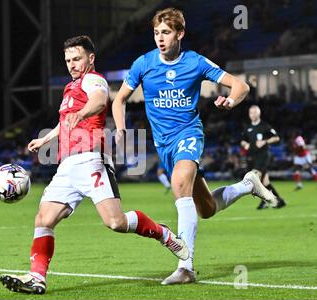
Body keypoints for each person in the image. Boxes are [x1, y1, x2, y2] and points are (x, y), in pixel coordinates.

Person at [0, 35, 189, 295]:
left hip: (91, 160)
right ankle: (37, 278)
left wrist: (83, 113)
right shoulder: (70, 88)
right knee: (43, 219)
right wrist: (46, 138)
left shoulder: (93, 79)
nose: (71, 64)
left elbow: (100, 100)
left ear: (91, 58)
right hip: (66, 167)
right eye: (67, 60)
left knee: (116, 223)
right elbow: (65, 122)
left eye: (77, 58)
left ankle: (163, 234)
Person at [112, 8, 278, 285]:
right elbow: (119, 100)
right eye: (156, 33)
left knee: (179, 185)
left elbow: (240, 86)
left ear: (180, 34)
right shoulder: (143, 63)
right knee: (207, 208)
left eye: (165, 32)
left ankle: (186, 267)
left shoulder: (195, 62)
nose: (160, 38)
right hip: (163, 144)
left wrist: (230, 101)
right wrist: (119, 128)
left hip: (188, 135)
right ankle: (248, 185)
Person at [241, 105, 286, 209]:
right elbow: (243, 140)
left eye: (255, 112)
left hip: (264, 156)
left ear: (259, 113)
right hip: (253, 157)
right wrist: (245, 144)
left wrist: (265, 141)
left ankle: (265, 201)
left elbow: (276, 137)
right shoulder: (247, 128)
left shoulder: (265, 126)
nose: (253, 114)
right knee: (265, 182)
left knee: (254, 177)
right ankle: (279, 201)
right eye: (251, 112)